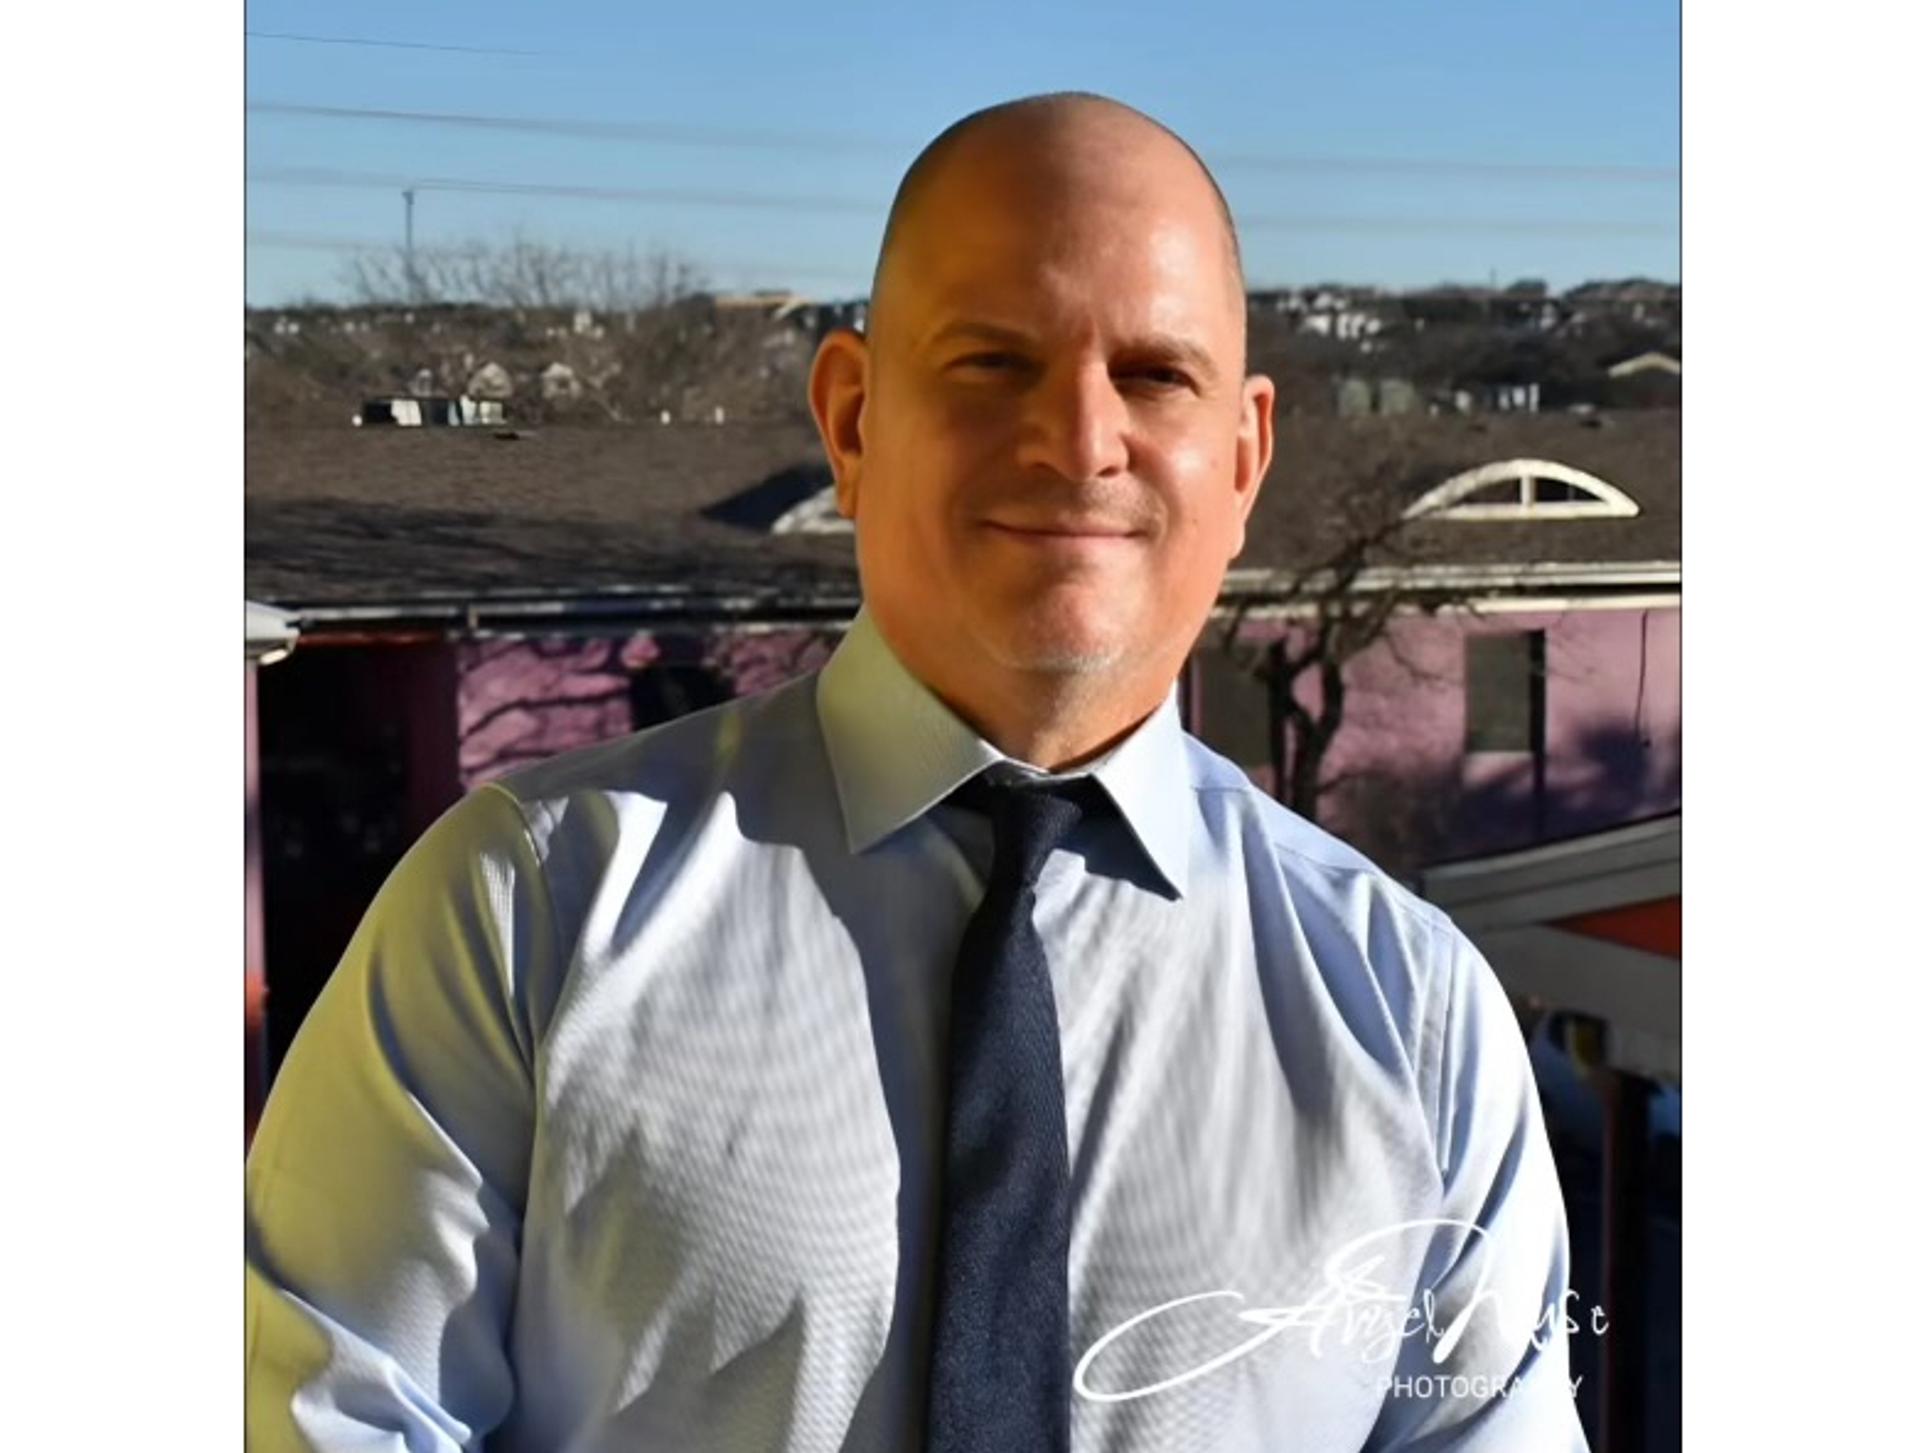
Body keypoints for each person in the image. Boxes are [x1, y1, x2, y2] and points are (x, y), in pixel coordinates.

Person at [246, 92, 1588, 1452]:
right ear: (852, 416)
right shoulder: (523, 915)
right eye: (993, 362)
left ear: (1243, 456)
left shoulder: (1415, 1023)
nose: (1077, 437)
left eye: (1153, 373)